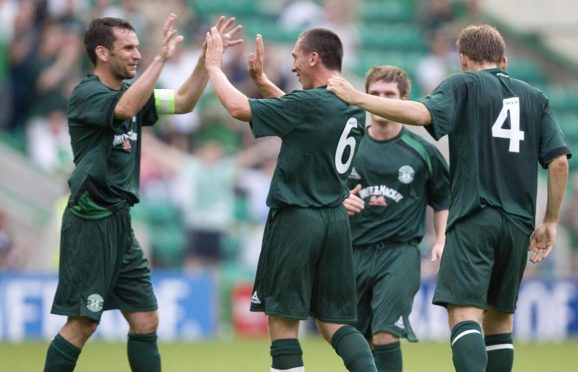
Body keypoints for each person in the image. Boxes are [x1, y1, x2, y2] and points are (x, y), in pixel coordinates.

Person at [327, 24, 571, 372]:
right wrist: (549, 222)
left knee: (464, 314)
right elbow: (559, 161)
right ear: (503, 60)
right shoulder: (536, 97)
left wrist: (358, 98)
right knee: (500, 321)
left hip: (474, 215)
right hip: (519, 223)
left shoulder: (463, 84)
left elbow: (421, 113)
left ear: (463, 60)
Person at [43, 14, 242, 372]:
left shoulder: (131, 94)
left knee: (146, 319)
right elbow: (124, 109)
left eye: (139, 48)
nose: (137, 54)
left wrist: (204, 61)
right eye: (129, 48)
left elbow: (183, 102)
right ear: (102, 52)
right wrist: (160, 58)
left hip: (120, 222)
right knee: (83, 324)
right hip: (92, 219)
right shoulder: (87, 93)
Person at [205, 27, 378, 372]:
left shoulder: (310, 104)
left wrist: (213, 67)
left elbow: (240, 108)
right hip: (334, 220)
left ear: (314, 57)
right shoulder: (352, 105)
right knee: (335, 324)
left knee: (283, 322)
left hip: (298, 219)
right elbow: (302, 116)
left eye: (296, 56)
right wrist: (265, 81)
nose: (294, 65)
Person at [342, 65, 449, 372]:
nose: (381, 100)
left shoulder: (422, 152)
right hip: (353, 252)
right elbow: (323, 191)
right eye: (374, 94)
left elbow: (442, 199)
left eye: (389, 95)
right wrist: (340, 200)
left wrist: (440, 239)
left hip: (399, 253)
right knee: (358, 339)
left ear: (404, 99)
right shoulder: (349, 146)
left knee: (385, 332)